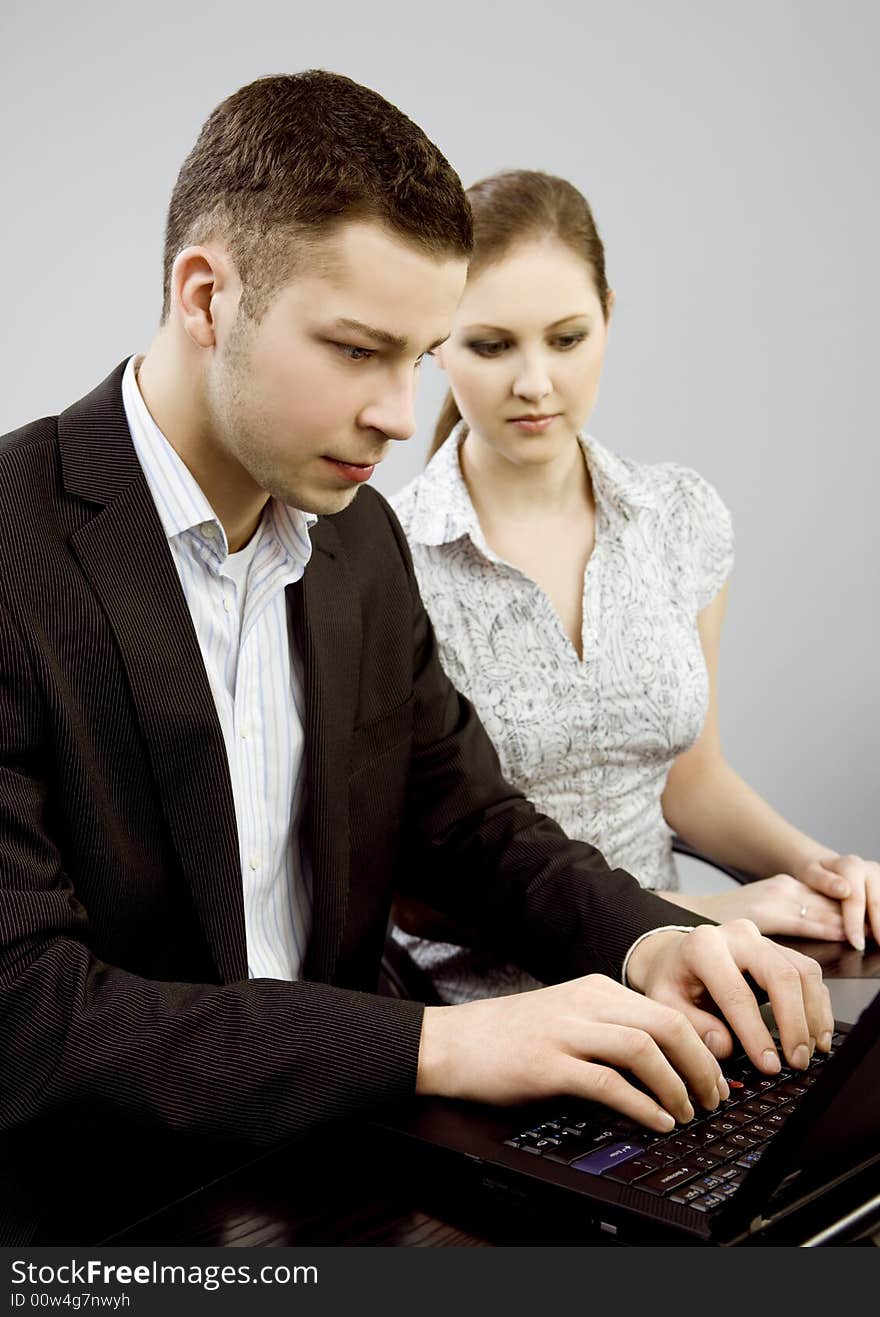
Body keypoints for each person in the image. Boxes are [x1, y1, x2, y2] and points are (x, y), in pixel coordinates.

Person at [0, 77, 833, 1244]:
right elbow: (29, 1016)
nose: (402, 416)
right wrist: (440, 1044)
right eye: (358, 351)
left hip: (358, 1169)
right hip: (105, 1220)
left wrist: (653, 937)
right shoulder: (12, 552)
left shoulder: (359, 542)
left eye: (424, 357)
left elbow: (473, 821)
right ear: (204, 295)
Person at [390, 169, 879, 1005]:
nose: (535, 383)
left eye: (568, 338)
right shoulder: (391, 559)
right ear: (436, 344)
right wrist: (696, 916)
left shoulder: (679, 516)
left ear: (610, 317)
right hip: (490, 1016)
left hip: (693, 992)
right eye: (491, 344)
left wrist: (824, 871)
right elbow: (410, 884)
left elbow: (692, 783)